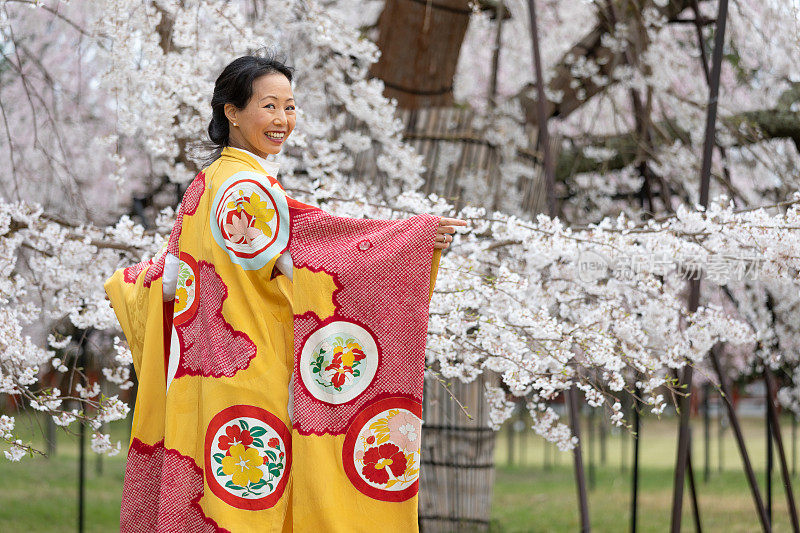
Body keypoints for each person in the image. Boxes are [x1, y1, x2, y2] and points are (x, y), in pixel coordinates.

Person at [104, 52, 466, 532]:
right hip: (252, 372)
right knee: (246, 509)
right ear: (231, 112)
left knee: (208, 500)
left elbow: (179, 273)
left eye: (290, 107)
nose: (282, 120)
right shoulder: (245, 186)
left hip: (205, 370)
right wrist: (408, 241)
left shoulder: (208, 182)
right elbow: (311, 257)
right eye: (269, 106)